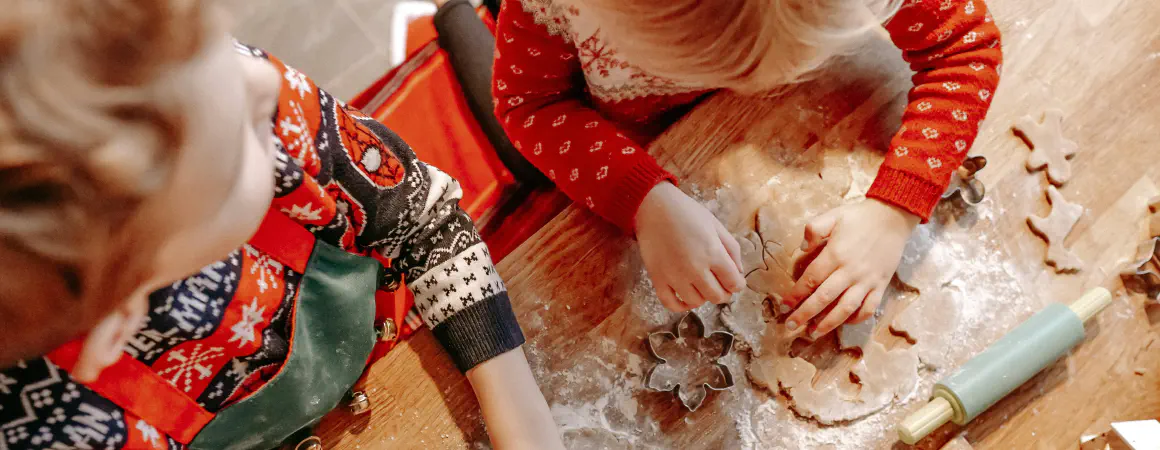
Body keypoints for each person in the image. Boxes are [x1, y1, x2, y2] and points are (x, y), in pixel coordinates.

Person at [0, 1, 563, 448]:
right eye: (241, 134)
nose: (267, 84)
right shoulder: (55, 425)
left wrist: (522, 420)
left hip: (389, 342)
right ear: (121, 317)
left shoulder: (203, 78)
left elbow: (425, 223)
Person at [492, 0, 1001, 339]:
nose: (754, 88)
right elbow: (529, 104)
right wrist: (643, 199)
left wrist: (896, 208)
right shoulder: (555, 9)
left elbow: (966, 48)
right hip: (612, 123)